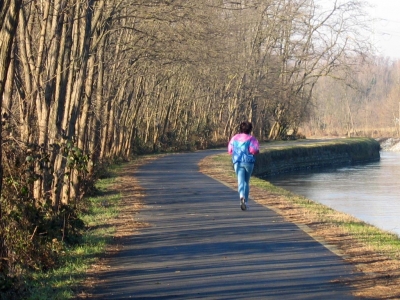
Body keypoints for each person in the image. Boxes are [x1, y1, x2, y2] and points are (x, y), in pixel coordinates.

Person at [228, 121, 260, 210]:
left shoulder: (234, 138)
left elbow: (230, 150)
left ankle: (241, 196)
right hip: (249, 162)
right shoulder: (252, 139)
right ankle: (245, 202)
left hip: (237, 162)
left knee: (240, 181)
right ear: (250, 129)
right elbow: (254, 150)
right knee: (246, 181)